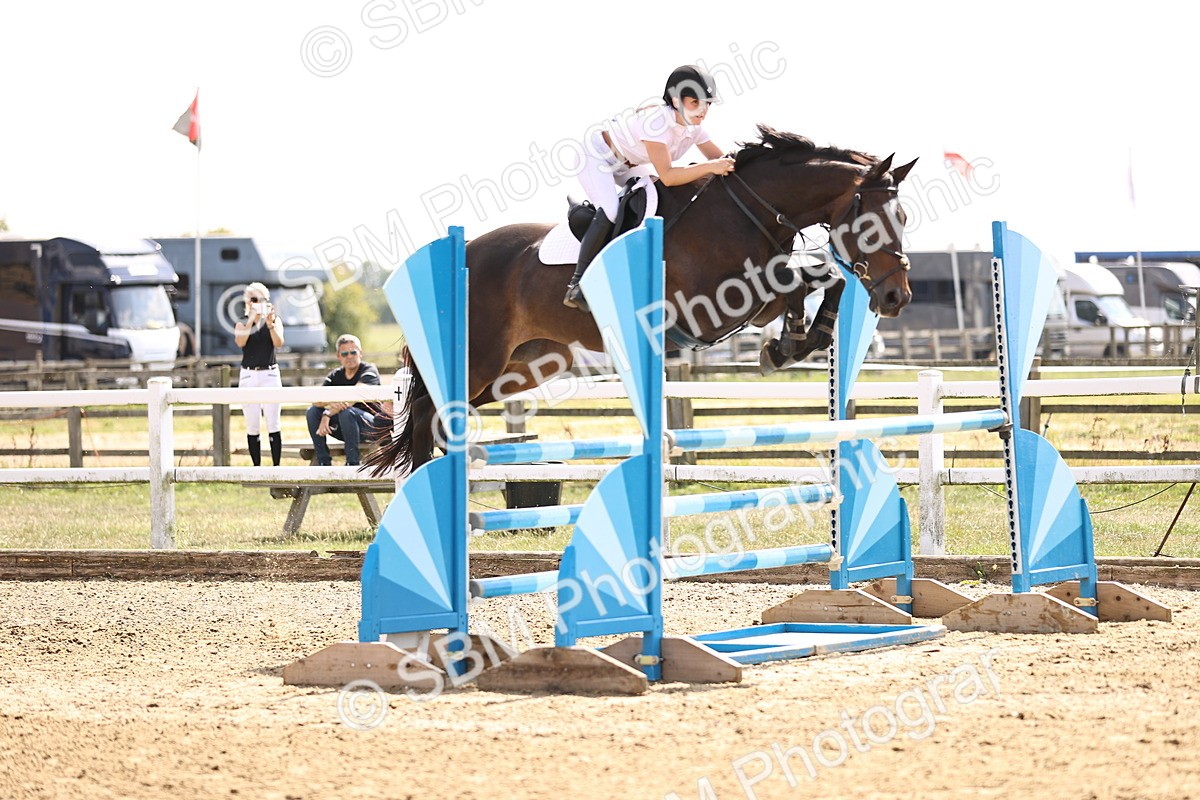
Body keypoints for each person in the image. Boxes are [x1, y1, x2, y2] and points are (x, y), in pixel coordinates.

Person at [563, 64, 737, 308]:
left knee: (655, 200)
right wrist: (712, 168)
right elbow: (668, 175)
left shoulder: (694, 129)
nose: (703, 109)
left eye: (707, 103)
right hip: (596, 157)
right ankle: (577, 284)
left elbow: (720, 159)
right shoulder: (657, 121)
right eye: (695, 102)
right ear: (676, 101)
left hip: (627, 163)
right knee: (612, 210)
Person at [306, 334, 383, 466]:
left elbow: (354, 396)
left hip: (369, 427)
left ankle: (352, 464)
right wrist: (330, 403)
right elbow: (317, 399)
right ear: (338, 356)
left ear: (361, 353)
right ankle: (323, 462)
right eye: (345, 353)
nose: (349, 356)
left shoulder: (369, 371)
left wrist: (328, 413)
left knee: (347, 412)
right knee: (312, 412)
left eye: (353, 352)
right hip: (344, 428)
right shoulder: (335, 375)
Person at [235, 282, 284, 466]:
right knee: (252, 423)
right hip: (248, 375)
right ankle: (257, 467)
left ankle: (276, 467)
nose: (255, 303)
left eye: (259, 300)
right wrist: (251, 320)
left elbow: (279, 343)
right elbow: (240, 342)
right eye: (252, 299)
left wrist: (269, 324)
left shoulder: (274, 320)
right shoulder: (242, 321)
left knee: (273, 422)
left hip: (269, 373)